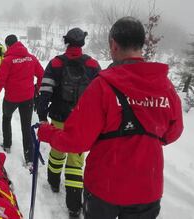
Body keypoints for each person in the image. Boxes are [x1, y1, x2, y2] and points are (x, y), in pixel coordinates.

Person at [38, 17, 183, 219]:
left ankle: (55, 183)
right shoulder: (165, 87)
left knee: (63, 158)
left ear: (113, 44)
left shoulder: (103, 85)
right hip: (147, 188)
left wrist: (47, 131)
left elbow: (77, 140)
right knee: (75, 164)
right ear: (143, 43)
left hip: (105, 188)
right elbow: (172, 133)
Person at [36, 28, 101, 217]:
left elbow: (45, 91)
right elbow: (101, 95)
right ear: (82, 43)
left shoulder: (56, 63)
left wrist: (42, 116)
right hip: (81, 121)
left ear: (67, 42)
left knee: (57, 152)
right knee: (75, 161)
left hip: (58, 118)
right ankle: (74, 206)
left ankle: (54, 183)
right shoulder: (93, 64)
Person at [0, 35, 44, 166]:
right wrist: (37, 90)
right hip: (28, 98)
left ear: (8, 46)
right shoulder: (32, 58)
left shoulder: (7, 61)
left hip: (11, 98)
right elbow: (41, 75)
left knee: (6, 118)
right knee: (26, 126)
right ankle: (29, 158)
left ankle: (7, 145)